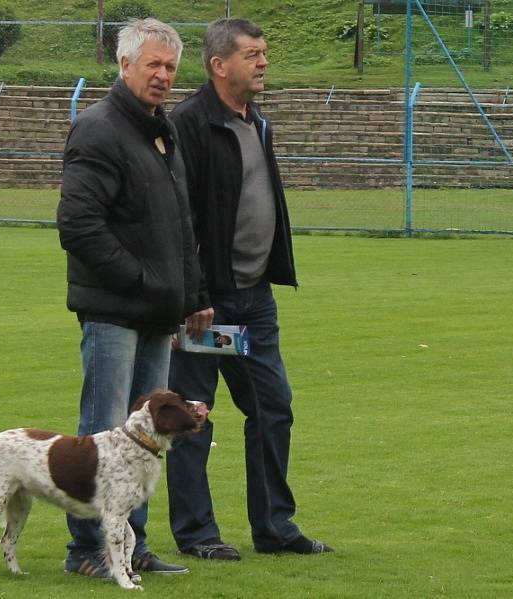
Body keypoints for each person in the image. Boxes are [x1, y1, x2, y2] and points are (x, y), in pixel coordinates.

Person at [166, 18, 334, 561]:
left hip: (254, 300)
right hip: (207, 306)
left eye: (265, 53)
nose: (263, 63)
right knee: (193, 414)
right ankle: (197, 535)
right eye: (252, 54)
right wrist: (192, 295)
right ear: (219, 64)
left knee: (272, 406)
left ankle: (274, 528)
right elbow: (179, 218)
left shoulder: (256, 121)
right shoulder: (188, 124)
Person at [56, 18, 206, 579]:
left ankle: (132, 547)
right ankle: (90, 552)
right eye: (153, 65)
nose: (163, 76)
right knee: (104, 433)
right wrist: (144, 282)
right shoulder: (97, 129)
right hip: (115, 311)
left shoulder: (161, 131)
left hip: (157, 312)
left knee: (144, 442)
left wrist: (193, 294)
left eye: (170, 66)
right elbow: (79, 225)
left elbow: (180, 225)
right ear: (124, 66)